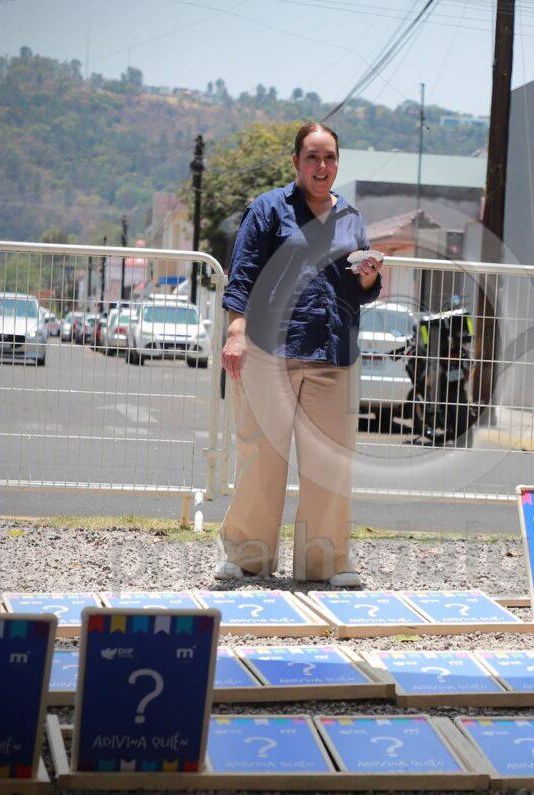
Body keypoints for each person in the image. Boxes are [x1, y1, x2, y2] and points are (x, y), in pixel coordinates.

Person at [216, 122, 383, 587]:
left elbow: (360, 289)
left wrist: (368, 276)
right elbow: (243, 272)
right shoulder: (268, 209)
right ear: (296, 162)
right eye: (312, 157)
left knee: (330, 465)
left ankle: (325, 563)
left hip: (334, 352)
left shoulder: (352, 218)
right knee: (262, 459)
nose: (322, 166)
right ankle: (247, 557)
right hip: (270, 352)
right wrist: (235, 329)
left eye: (330, 157)